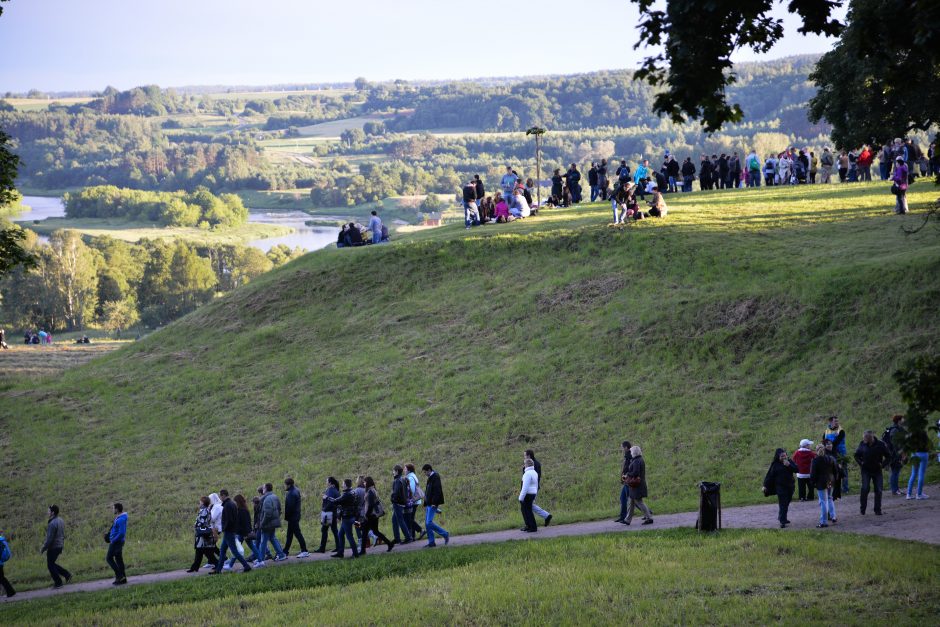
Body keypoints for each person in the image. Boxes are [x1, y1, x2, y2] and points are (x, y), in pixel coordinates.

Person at [211, 490, 252, 574]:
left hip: (229, 531)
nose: (220, 498)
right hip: (230, 531)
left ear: (223, 495)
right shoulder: (231, 504)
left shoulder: (227, 505)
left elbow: (229, 520)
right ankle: (218, 570)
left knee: (234, 551)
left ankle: (246, 566)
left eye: (220, 496)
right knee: (222, 550)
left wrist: (224, 528)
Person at [854, 430, 890, 516]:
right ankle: (862, 509)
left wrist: (883, 465)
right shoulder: (862, 444)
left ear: (871, 437)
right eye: (863, 438)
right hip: (866, 470)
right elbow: (856, 455)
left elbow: (888, 456)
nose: (864, 439)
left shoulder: (880, 444)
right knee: (865, 488)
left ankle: (877, 510)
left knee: (878, 490)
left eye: (865, 438)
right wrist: (861, 463)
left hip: (877, 470)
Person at [763, 449, 797, 528]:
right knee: (783, 503)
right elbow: (769, 476)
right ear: (778, 457)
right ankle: (782, 521)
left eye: (785, 455)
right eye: (782, 456)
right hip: (780, 487)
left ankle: (782, 517)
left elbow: (796, 470)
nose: (784, 457)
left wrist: (789, 465)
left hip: (790, 486)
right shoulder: (775, 465)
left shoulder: (789, 461)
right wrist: (765, 485)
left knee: (787, 502)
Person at [361, 476, 395, 554]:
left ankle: (363, 551)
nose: (364, 483)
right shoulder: (372, 490)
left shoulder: (370, 491)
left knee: (365, 532)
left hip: (370, 515)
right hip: (373, 515)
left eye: (365, 482)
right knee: (375, 531)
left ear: (368, 483)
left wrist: (366, 514)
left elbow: (370, 505)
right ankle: (389, 543)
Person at [223, 494, 259, 569]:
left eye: (235, 501)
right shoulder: (244, 509)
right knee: (250, 547)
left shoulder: (241, 511)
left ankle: (230, 565)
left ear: (238, 502)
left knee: (236, 549)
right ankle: (260, 560)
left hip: (242, 533)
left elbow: (243, 523)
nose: (234, 503)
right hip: (243, 532)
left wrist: (244, 532)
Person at [41, 505, 71, 588]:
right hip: (60, 545)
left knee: (50, 565)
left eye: (48, 511)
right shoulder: (60, 520)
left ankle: (58, 583)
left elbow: (49, 539)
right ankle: (67, 574)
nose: (47, 512)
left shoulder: (52, 523)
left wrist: (44, 548)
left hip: (53, 547)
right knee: (52, 564)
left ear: (53, 512)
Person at [256, 483, 287, 566]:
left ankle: (260, 560)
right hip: (273, 523)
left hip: (267, 524)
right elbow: (279, 509)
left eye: (263, 488)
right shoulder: (275, 496)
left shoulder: (266, 499)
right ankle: (281, 555)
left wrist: (262, 523)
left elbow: (267, 514)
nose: (262, 489)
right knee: (272, 538)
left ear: (266, 489)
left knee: (263, 542)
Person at [329, 479, 360, 558]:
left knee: (349, 536)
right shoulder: (353, 492)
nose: (342, 485)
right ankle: (340, 552)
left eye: (343, 484)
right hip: (352, 516)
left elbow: (336, 501)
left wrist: (327, 498)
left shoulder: (346, 494)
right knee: (340, 534)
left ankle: (355, 554)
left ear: (346, 485)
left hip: (347, 518)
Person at [623, 446, 654, 525]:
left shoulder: (636, 461)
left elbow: (635, 473)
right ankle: (627, 520)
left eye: (631, 451)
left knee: (639, 502)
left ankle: (649, 517)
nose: (630, 453)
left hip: (637, 485)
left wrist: (627, 475)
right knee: (632, 502)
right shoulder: (639, 459)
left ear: (634, 452)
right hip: (637, 485)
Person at [187, 496, 218, 572]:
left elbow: (202, 522)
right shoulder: (206, 510)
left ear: (203, 503)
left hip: (203, 534)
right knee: (199, 550)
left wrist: (196, 525)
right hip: (203, 534)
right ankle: (194, 567)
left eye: (200, 501)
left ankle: (217, 564)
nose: (199, 503)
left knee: (206, 551)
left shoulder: (204, 511)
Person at [422, 464, 449, 547]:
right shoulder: (430, 477)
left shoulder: (435, 477)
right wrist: (425, 503)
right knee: (427, 524)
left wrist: (434, 503)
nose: (425, 473)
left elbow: (437, 491)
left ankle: (445, 534)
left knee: (429, 522)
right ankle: (431, 542)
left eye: (425, 472)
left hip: (433, 503)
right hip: (429, 503)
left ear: (429, 470)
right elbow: (428, 491)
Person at [810, 445, 837, 527]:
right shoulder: (830, 458)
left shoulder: (815, 460)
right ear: (824, 450)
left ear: (816, 450)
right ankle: (833, 516)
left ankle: (824, 522)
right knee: (830, 498)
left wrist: (812, 482)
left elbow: (813, 474)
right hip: (830, 481)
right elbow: (835, 470)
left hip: (821, 482)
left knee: (823, 501)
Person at [283, 477, 309, 558]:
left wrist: (286, 516)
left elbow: (290, 507)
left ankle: (304, 551)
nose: (285, 486)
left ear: (289, 485)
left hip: (292, 517)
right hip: (295, 516)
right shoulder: (296, 490)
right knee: (289, 535)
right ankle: (285, 551)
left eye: (285, 485)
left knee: (297, 534)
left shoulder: (291, 493)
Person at [823, 416, 848, 494]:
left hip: (841, 454)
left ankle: (845, 488)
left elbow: (836, 442)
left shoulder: (841, 431)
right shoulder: (826, 431)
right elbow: (823, 441)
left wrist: (829, 446)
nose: (837, 423)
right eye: (835, 421)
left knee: (843, 471)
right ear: (830, 422)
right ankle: (832, 488)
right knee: (830, 472)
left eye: (837, 421)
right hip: (829, 454)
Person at [315, 477, 340, 553]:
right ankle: (339, 547)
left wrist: (324, 510)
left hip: (328, 514)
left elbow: (329, 503)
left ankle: (322, 548)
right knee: (335, 531)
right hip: (334, 513)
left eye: (327, 481)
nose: (326, 482)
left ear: (330, 482)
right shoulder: (335, 490)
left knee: (324, 530)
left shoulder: (330, 490)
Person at [883, 415, 906, 495]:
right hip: (895, 454)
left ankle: (896, 489)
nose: (904, 420)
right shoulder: (895, 430)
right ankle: (895, 490)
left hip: (893, 454)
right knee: (895, 472)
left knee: (895, 472)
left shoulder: (895, 429)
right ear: (899, 421)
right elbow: (896, 444)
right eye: (902, 419)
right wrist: (901, 453)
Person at [390, 465, 414, 545]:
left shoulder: (397, 480)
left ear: (396, 471)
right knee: (394, 521)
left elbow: (395, 492)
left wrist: (392, 499)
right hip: (402, 502)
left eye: (393, 471)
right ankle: (397, 538)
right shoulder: (403, 479)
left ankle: (408, 537)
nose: (393, 472)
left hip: (397, 503)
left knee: (400, 520)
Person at [906, 428, 931, 500]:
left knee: (913, 473)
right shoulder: (923, 432)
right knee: (921, 474)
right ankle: (919, 494)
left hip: (914, 454)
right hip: (923, 454)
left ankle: (909, 494)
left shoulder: (911, 433)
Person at [106, 502, 128, 585]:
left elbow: (121, 533)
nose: (112, 510)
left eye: (113, 508)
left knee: (109, 558)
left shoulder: (121, 519)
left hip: (116, 542)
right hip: (117, 541)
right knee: (119, 560)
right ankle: (123, 579)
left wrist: (113, 540)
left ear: (117, 509)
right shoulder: (119, 518)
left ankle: (120, 576)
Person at [614, 440, 633, 523]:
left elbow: (629, 468)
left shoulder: (630, 455)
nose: (622, 449)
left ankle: (648, 513)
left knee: (634, 500)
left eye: (622, 447)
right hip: (625, 479)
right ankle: (622, 517)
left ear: (626, 447)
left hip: (628, 480)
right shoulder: (627, 455)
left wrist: (625, 476)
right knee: (623, 498)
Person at [404, 463, 425, 540]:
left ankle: (420, 530)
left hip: (413, 501)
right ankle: (412, 536)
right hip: (415, 501)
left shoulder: (410, 477)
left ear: (408, 470)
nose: (404, 470)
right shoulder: (413, 476)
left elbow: (412, 489)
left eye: (405, 469)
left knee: (409, 519)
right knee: (411, 518)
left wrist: (407, 498)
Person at [519, 459, 539, 532]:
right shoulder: (534, 473)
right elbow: (536, 485)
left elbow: (525, 487)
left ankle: (532, 527)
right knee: (527, 510)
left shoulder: (527, 474)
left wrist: (521, 497)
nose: (524, 465)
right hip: (533, 493)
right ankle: (528, 526)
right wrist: (535, 496)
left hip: (527, 494)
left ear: (526, 465)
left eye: (524, 464)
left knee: (527, 511)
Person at [0, 531, 14, 597]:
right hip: (1, 562)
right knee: (2, 578)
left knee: (2, 578)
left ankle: (10, 592)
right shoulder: (1, 540)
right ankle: (10, 592)